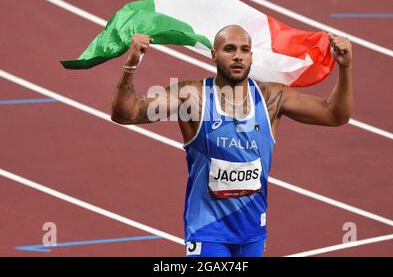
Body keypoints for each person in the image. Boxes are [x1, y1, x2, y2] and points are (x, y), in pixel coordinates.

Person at [111, 25, 352, 257]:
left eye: (244, 50)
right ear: (214, 55)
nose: (238, 56)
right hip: (208, 231)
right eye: (229, 49)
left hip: (252, 233)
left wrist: (345, 67)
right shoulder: (192, 98)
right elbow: (126, 113)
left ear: (251, 57)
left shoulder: (272, 99)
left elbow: (334, 114)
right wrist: (131, 64)